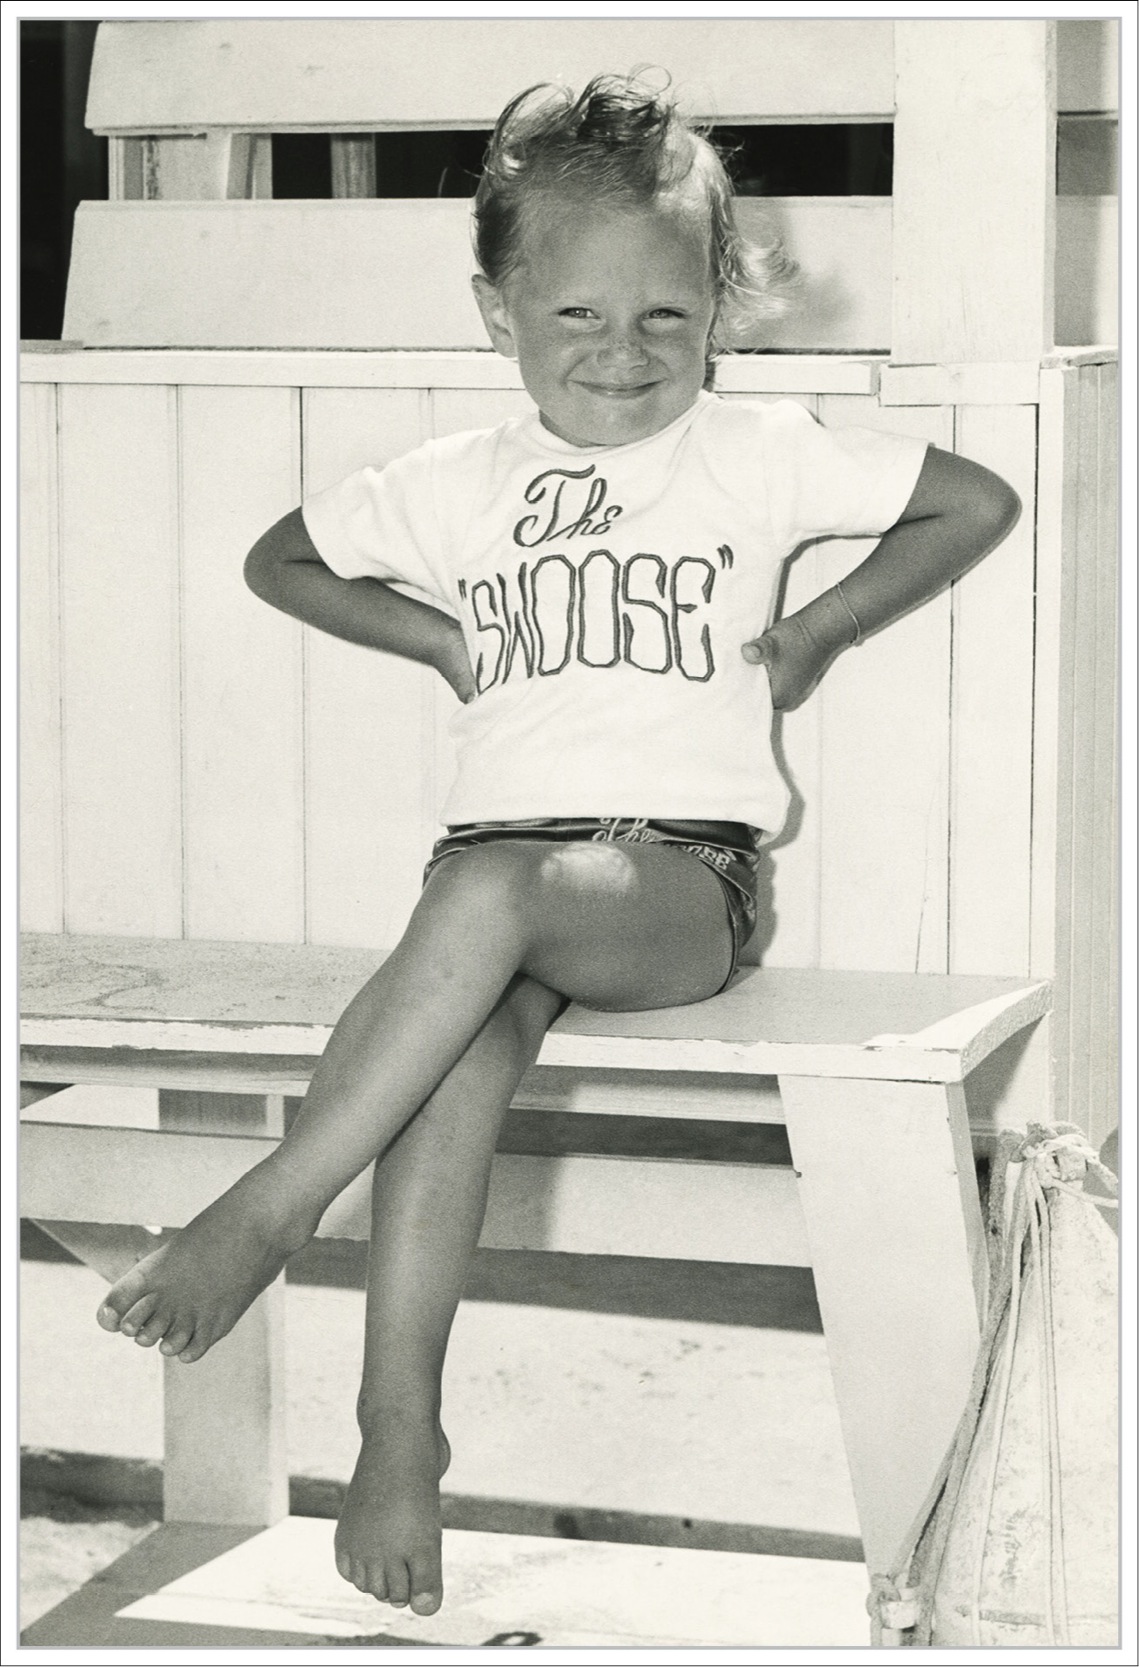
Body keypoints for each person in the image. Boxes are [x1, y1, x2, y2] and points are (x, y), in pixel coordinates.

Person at [95, 75, 1019, 1616]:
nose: (623, 354)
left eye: (666, 317)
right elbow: (284, 558)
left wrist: (809, 637)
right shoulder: (459, 485)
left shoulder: (755, 451)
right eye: (578, 315)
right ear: (497, 308)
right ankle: (401, 1429)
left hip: (675, 883)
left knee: (491, 890)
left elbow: (969, 501)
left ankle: (266, 1211)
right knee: (457, 1036)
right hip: (498, 892)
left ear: (719, 309)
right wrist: (436, 640)